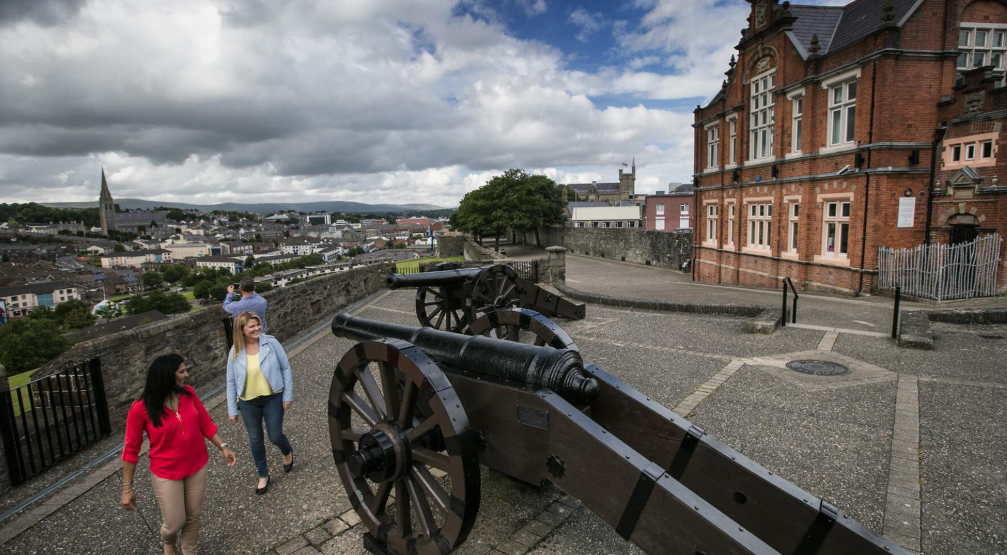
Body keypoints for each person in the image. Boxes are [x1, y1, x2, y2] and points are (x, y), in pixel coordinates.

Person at [121, 354, 237, 555]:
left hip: (197, 465)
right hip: (166, 472)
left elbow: (204, 423)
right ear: (167, 376)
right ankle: (168, 540)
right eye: (182, 371)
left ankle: (189, 551)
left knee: (193, 517)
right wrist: (127, 488)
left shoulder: (188, 393)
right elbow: (131, 449)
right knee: (175, 522)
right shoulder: (140, 409)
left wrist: (223, 446)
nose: (186, 375)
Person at [226, 310, 293, 494]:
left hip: (273, 397)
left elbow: (285, 367)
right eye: (252, 326)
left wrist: (287, 395)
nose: (257, 328)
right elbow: (230, 381)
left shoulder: (271, 343)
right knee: (255, 440)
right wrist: (232, 409)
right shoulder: (235, 351)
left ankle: (287, 451)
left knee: (275, 436)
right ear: (242, 329)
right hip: (248, 402)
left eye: (258, 325)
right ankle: (263, 474)